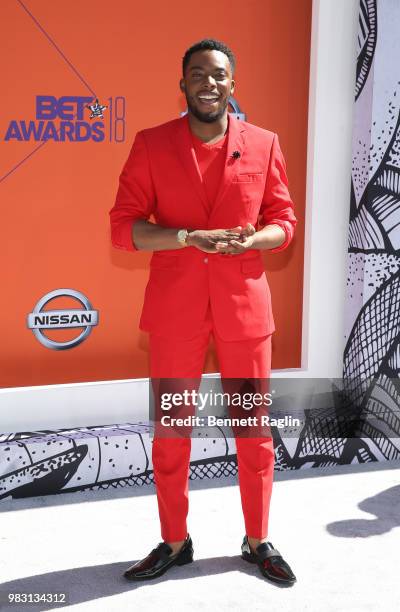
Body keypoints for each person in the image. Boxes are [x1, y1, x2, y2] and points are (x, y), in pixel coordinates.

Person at [109, 38, 297, 586]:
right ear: (183, 84)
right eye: (197, 74)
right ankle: (174, 540)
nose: (208, 83)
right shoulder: (150, 145)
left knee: (253, 430)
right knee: (172, 430)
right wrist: (187, 235)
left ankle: (257, 539)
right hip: (175, 312)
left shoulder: (264, 144)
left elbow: (284, 221)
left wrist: (252, 240)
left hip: (245, 310)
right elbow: (124, 228)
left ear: (232, 84)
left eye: (218, 74)